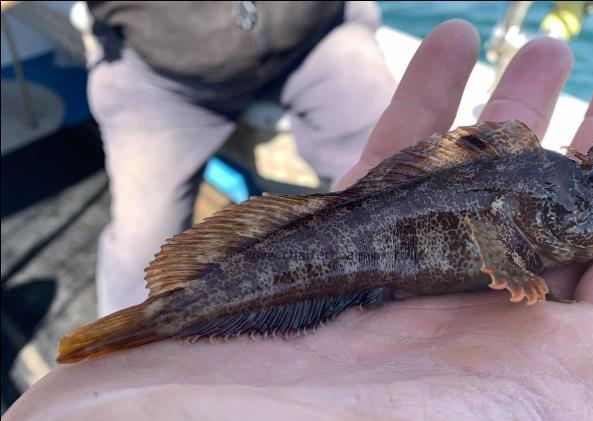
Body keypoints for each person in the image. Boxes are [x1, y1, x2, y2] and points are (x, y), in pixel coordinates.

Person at [2, 20, 593, 421]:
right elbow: (492, 229)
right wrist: (516, 269)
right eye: (583, 207)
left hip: (310, 46)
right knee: (153, 239)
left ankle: (142, 331)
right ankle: (145, 329)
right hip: (161, 71)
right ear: (525, 211)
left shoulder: (527, 191)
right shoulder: (512, 204)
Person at [85, 1, 397, 316]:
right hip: (157, 75)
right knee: (141, 244)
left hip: (318, 38)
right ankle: (120, 349)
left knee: (398, 195)